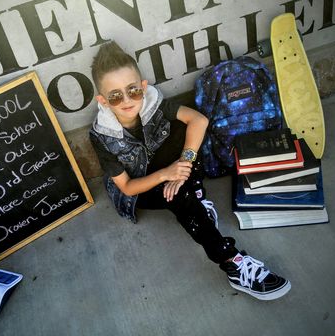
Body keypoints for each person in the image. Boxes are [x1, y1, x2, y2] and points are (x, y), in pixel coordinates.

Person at [89, 41, 291, 301]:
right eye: (116, 96)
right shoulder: (101, 135)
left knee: (188, 134)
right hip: (144, 187)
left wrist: (182, 166)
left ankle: (191, 191)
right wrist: (166, 174)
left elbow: (200, 120)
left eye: (132, 90)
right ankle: (231, 262)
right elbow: (127, 187)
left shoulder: (153, 103)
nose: (127, 100)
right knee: (181, 197)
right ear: (103, 101)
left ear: (143, 86)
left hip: (174, 170)